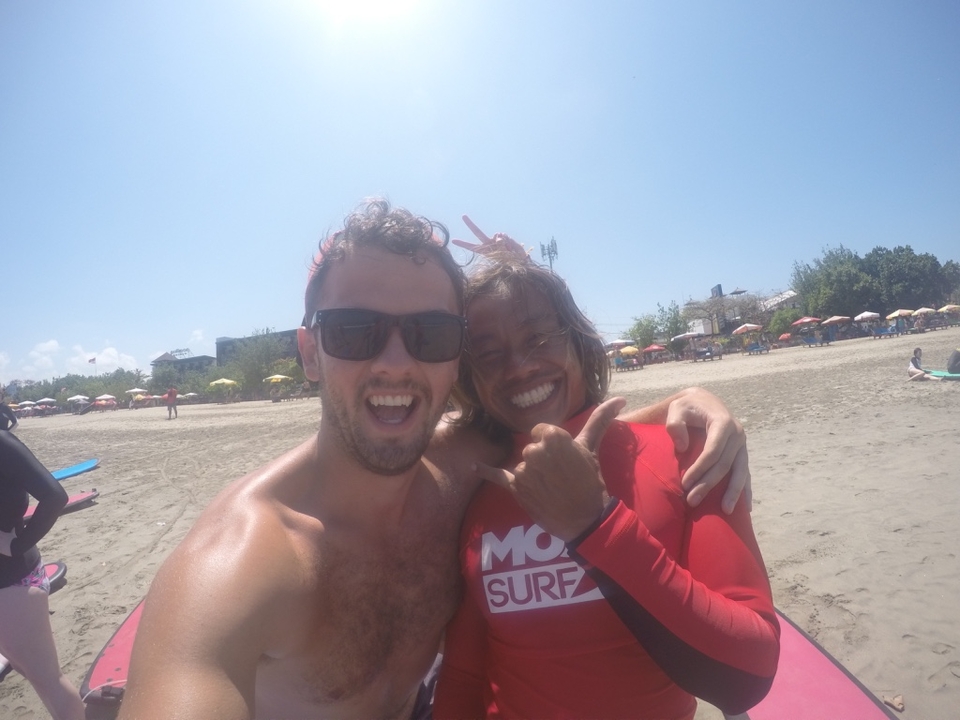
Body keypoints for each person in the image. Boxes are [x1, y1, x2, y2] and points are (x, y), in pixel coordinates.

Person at [122, 201, 751, 719]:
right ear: (311, 353)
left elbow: (553, 418)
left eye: (429, 334)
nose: (397, 361)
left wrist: (691, 400)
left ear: (455, 362)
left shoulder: (463, 466)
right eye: (353, 331)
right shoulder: (239, 566)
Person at [435, 227, 779, 719]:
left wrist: (594, 524)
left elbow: (749, 673)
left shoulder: (687, 453)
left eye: (538, 338)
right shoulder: (475, 485)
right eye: (489, 354)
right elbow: (465, 674)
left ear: (578, 341)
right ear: (472, 378)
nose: (518, 367)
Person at [0, 407, 85, 719]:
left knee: (47, 679)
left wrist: (17, 544)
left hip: (12, 584)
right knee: (30, 673)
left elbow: (54, 497)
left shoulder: (2, 444)